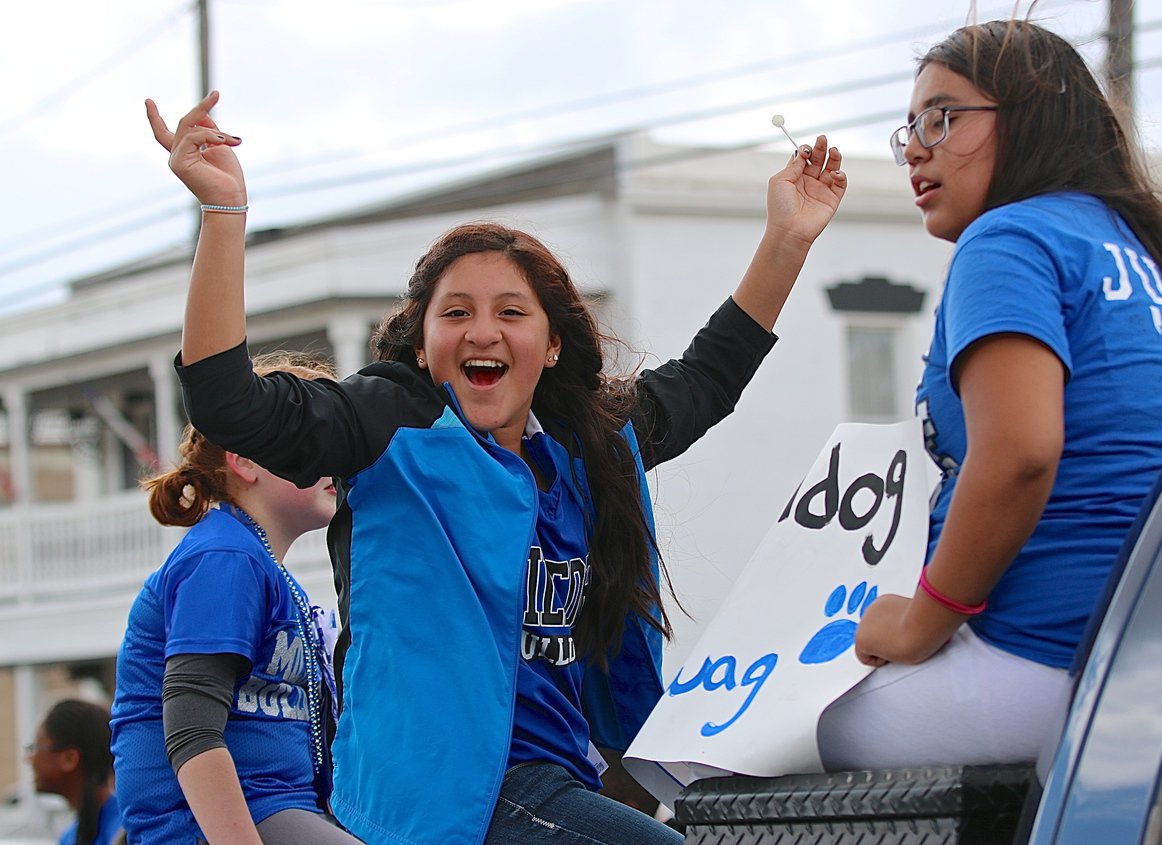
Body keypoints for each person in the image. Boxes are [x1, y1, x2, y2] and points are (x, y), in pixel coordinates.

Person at [143, 89, 846, 845]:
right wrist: (222, 214)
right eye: (455, 313)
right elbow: (228, 402)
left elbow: (704, 382)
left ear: (549, 345)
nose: (483, 330)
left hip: (559, 782)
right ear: (421, 345)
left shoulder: (586, 442)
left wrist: (788, 240)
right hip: (437, 798)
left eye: (511, 312)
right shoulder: (388, 423)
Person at [818, 18, 1162, 771]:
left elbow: (1022, 451)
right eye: (910, 129)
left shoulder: (1010, 239)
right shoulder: (1138, 248)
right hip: (1158, 657)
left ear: (1031, 113)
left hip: (1054, 660)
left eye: (943, 116)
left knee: (753, 747)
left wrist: (922, 621)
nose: (917, 147)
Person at [109, 351, 362, 844]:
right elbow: (191, 730)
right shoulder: (225, 556)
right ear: (244, 458)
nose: (336, 457)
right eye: (315, 436)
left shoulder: (255, 560)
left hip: (271, 810)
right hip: (221, 823)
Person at [27, 699, 122, 845]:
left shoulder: (124, 831)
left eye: (35, 748)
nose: (29, 758)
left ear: (69, 758)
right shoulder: (70, 837)